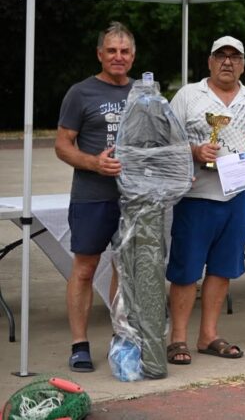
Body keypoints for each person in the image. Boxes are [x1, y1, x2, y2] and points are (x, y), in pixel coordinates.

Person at [166, 36, 245, 364]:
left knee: (223, 269)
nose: (227, 62)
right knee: (185, 271)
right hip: (196, 195)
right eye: (220, 56)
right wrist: (194, 151)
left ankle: (208, 334)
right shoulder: (188, 95)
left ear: (243, 64)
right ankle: (177, 338)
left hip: (237, 195)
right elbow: (164, 140)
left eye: (234, 57)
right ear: (209, 61)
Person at [55, 21, 135, 372]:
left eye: (125, 51)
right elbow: (62, 145)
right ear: (100, 54)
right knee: (85, 269)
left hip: (133, 198)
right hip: (92, 195)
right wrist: (94, 163)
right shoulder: (80, 93)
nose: (118, 57)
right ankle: (79, 344)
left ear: (133, 56)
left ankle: (122, 336)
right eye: (112, 50)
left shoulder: (143, 93)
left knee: (125, 268)